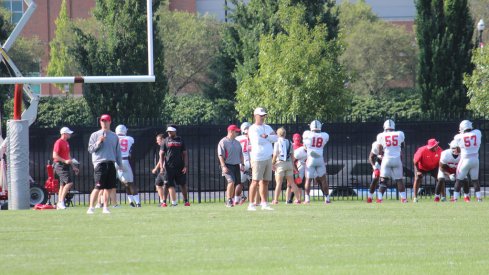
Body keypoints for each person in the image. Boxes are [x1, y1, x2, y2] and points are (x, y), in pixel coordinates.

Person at [86, 114, 123, 214]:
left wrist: (120, 164)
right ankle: (91, 208)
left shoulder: (114, 136)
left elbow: (118, 151)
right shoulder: (95, 135)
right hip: (100, 163)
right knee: (98, 187)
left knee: (109, 187)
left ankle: (105, 207)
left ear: (110, 122)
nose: (104, 123)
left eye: (106, 121)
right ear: (100, 122)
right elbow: (90, 149)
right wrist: (99, 142)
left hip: (111, 163)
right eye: (102, 121)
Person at [247, 107, 277, 211]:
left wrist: (266, 136)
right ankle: (251, 204)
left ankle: (264, 204)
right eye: (261, 115)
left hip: (268, 157)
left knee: (265, 182)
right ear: (255, 116)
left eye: (264, 115)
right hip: (258, 158)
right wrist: (268, 138)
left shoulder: (267, 127)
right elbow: (257, 141)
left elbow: (276, 138)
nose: (263, 117)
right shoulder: (252, 128)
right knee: (255, 181)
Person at [376, 119, 407, 203]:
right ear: (393, 127)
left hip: (386, 159)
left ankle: (379, 199)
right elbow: (403, 145)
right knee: (399, 180)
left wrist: (380, 154)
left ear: (385, 127)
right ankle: (403, 199)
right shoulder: (400, 133)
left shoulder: (381, 135)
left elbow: (379, 147)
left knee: (383, 180)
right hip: (397, 159)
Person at [158, 126, 189, 206]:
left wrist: (185, 165)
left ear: (175, 131)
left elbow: (185, 154)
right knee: (167, 184)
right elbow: (161, 154)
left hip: (180, 166)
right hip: (168, 167)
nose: (169, 133)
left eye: (171, 131)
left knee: (183, 184)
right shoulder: (165, 141)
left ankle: (186, 201)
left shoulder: (180, 140)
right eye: (168, 131)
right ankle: (164, 202)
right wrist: (161, 167)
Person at [452, 120, 482, 202]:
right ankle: (479, 198)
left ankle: (455, 198)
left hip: (465, 159)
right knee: (475, 180)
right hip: (475, 159)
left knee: (459, 180)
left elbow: (457, 148)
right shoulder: (477, 132)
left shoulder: (458, 136)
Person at [303, 120, 330, 204]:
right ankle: (327, 199)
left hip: (310, 158)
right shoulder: (325, 135)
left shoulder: (307, 134)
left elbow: (305, 145)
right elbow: (323, 143)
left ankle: (307, 199)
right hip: (320, 158)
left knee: (308, 180)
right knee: (323, 180)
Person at [217, 125, 245, 207]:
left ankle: (235, 199)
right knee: (231, 181)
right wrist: (223, 166)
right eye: (236, 131)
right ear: (231, 131)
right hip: (227, 165)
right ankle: (229, 200)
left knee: (237, 184)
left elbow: (241, 154)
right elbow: (220, 155)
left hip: (236, 165)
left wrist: (242, 164)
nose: (237, 133)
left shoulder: (237, 142)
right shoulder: (223, 142)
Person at [52, 126, 79, 210]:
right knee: (69, 183)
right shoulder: (58, 142)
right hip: (59, 165)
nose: (70, 134)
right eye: (68, 133)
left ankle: (59, 203)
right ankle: (61, 202)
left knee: (62, 185)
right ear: (64, 134)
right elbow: (54, 155)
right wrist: (65, 161)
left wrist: (73, 167)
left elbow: (68, 156)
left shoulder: (66, 143)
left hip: (64, 165)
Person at [271, 127, 300, 204]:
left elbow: (275, 154)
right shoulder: (290, 142)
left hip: (280, 163)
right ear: (285, 134)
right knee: (292, 183)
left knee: (279, 183)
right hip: (289, 163)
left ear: (277, 134)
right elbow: (293, 156)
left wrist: (272, 164)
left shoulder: (277, 143)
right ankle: (298, 199)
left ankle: (275, 200)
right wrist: (292, 164)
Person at [115, 124, 140, 207]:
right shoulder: (130, 138)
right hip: (124, 160)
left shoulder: (113, 138)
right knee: (130, 183)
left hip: (114, 162)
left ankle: (130, 202)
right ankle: (137, 203)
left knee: (124, 183)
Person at [412, 138, 442, 203]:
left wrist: (441, 170)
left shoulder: (439, 149)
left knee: (440, 179)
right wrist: (418, 171)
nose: (437, 147)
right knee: (417, 179)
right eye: (435, 146)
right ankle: (415, 197)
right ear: (431, 147)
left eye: (437, 145)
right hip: (421, 167)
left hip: (433, 167)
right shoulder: (422, 150)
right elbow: (415, 161)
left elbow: (441, 160)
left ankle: (443, 197)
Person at [234, 122, 252, 205]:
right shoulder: (253, 138)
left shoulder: (237, 139)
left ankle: (237, 199)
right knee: (254, 182)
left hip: (242, 162)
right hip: (252, 161)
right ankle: (254, 200)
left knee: (239, 183)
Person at [152, 134, 169, 207]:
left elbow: (161, 160)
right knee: (158, 184)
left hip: (165, 169)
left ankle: (171, 202)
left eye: (158, 140)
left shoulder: (165, 146)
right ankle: (163, 201)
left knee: (167, 185)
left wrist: (156, 168)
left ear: (162, 139)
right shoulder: (162, 147)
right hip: (163, 169)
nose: (157, 142)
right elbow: (160, 160)